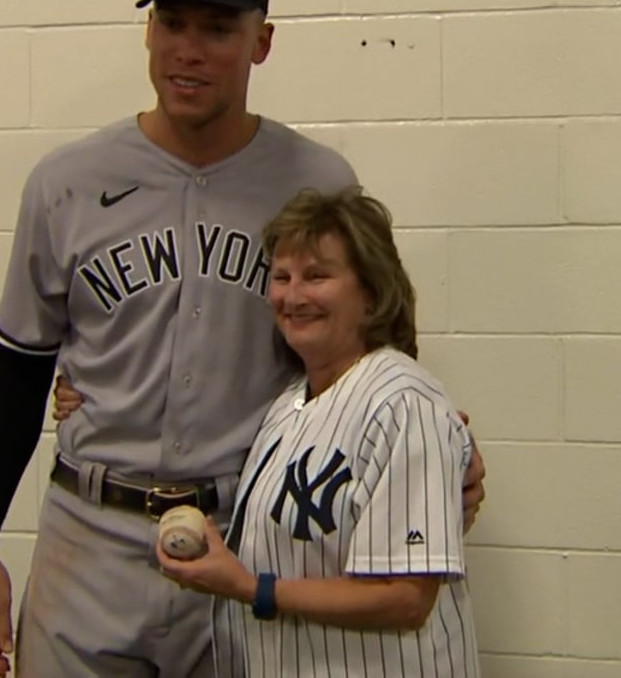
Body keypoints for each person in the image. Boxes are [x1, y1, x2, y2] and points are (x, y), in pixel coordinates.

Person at [0, 0, 486, 678]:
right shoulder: (66, 181)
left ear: (262, 41)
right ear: (147, 31)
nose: (187, 50)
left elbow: (370, 359)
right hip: (89, 537)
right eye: (171, 24)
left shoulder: (317, 182)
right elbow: (16, 365)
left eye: (217, 28)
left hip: (245, 538)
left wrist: (429, 453)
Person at [157, 186, 481, 676]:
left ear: (371, 294)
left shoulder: (403, 402)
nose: (293, 295)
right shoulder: (289, 405)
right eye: (282, 277)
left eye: (317, 276)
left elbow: (406, 598)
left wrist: (249, 587)